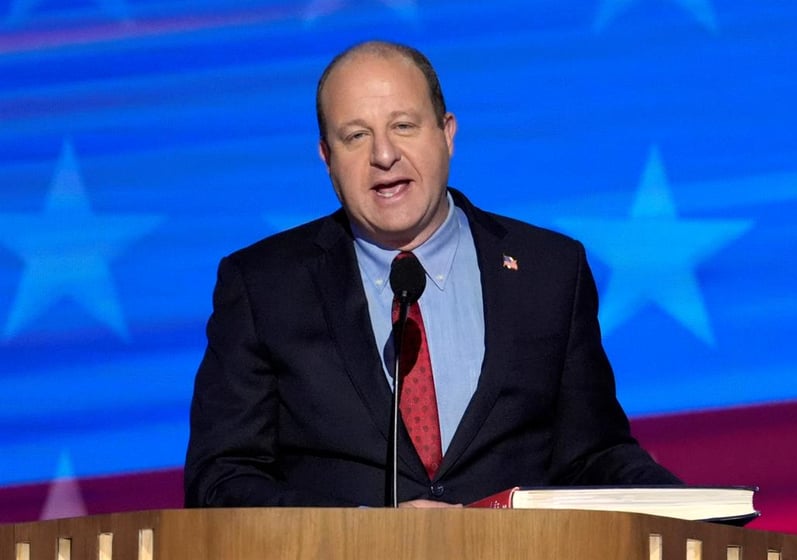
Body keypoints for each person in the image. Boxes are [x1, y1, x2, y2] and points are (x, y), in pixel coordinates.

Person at [184, 40, 681, 509]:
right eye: (356, 136)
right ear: (326, 158)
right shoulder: (264, 285)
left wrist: (700, 508)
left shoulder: (550, 271)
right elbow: (222, 480)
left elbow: (592, 456)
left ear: (447, 133)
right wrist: (366, 533)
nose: (383, 156)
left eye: (403, 126)